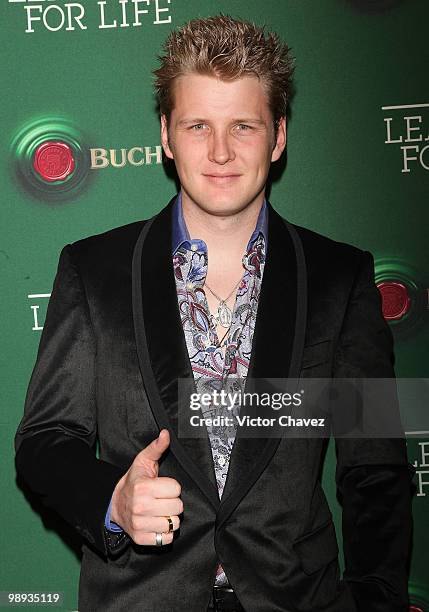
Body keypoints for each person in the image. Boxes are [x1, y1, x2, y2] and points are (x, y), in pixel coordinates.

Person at [15, 14, 414, 612]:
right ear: (167, 135)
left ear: (278, 136)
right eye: (198, 125)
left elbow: (375, 468)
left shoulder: (341, 278)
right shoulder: (94, 271)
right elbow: (45, 441)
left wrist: (375, 600)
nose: (221, 152)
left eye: (243, 126)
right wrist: (114, 500)